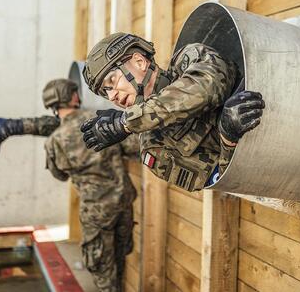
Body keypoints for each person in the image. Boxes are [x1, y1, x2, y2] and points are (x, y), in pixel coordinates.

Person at [0, 78, 138, 292]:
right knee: (119, 259)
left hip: (96, 213)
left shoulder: (54, 141)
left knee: (103, 272)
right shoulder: (102, 121)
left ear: (51, 104)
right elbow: (133, 148)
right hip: (123, 203)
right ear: (74, 97)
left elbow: (59, 175)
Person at [81, 32, 265, 191]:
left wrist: (126, 122)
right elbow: (222, 179)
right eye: (105, 92)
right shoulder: (154, 148)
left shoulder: (188, 58)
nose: (112, 96)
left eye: (112, 81)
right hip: (271, 161)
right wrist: (228, 137)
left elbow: (206, 87)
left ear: (139, 62)